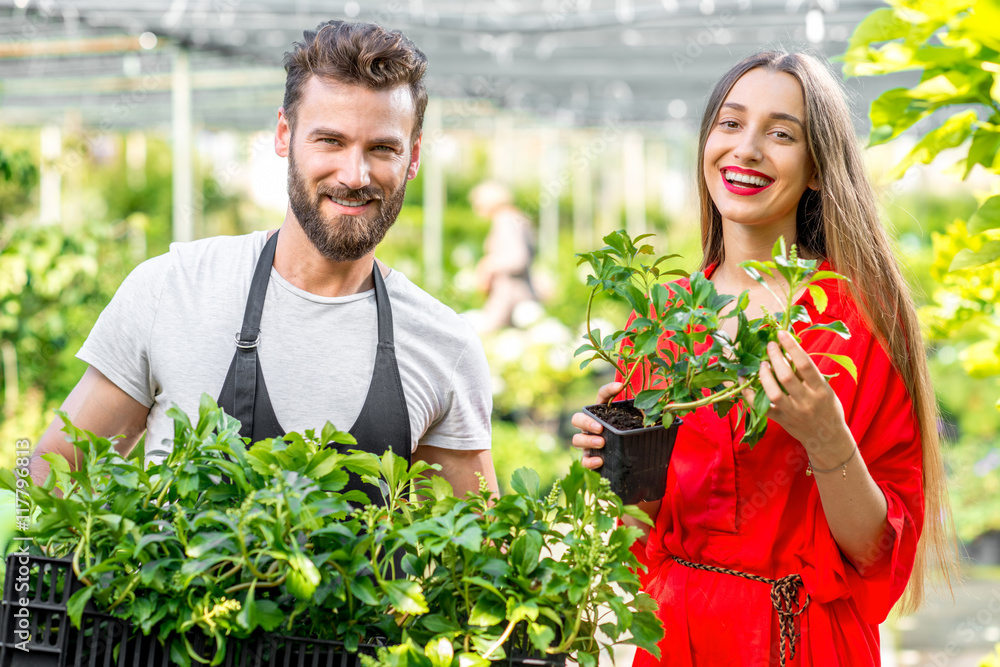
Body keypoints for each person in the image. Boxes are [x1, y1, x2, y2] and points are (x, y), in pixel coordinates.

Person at [571, 51, 954, 666]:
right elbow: (642, 531)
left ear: (820, 170)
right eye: (730, 124)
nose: (746, 150)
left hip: (798, 640)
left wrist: (828, 438)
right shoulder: (664, 317)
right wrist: (616, 470)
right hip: (675, 637)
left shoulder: (856, 319)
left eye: (781, 134)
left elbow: (876, 553)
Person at [30, 20, 498, 500]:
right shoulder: (173, 289)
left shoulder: (444, 346)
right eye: (330, 141)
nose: (355, 175)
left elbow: (483, 549)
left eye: (382, 148)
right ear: (283, 134)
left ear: (413, 156)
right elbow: (53, 477)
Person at [469, 181, 538, 332]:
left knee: (490, 336)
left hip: (509, 294)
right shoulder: (516, 217)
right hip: (520, 292)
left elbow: (517, 258)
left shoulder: (505, 219)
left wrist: (488, 265)